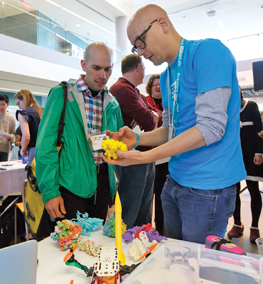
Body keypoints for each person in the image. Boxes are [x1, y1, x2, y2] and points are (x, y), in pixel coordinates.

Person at [103, 4, 247, 244]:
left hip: (208, 186)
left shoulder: (209, 52)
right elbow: (171, 129)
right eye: (135, 46)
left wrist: (144, 157)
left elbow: (211, 128)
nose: (140, 52)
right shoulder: (168, 74)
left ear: (162, 24)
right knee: (175, 262)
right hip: (176, 181)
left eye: (141, 42)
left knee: (196, 270)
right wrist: (137, 139)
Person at [35, 42, 123, 225]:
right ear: (84, 65)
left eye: (108, 69)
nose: (103, 75)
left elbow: (117, 143)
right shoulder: (62, 94)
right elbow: (45, 146)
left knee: (93, 247)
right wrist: (50, 191)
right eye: (96, 68)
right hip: (70, 185)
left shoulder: (113, 103)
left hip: (102, 185)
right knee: (65, 248)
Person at [109, 54, 162, 229]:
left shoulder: (134, 91)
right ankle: (124, 249)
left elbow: (156, 117)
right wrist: (152, 115)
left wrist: (152, 114)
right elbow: (150, 120)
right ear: (138, 67)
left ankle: (142, 246)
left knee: (144, 212)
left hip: (143, 155)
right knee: (130, 211)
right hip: (131, 158)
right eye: (144, 69)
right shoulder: (121, 89)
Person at [227, 91, 263, 243]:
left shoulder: (252, 107)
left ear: (239, 94)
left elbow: (260, 132)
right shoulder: (228, 110)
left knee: (253, 190)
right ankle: (237, 224)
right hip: (234, 157)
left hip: (251, 156)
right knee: (234, 192)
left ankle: (254, 227)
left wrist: (259, 152)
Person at [146, 74, 169, 235]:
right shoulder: (145, 103)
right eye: (155, 84)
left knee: (165, 194)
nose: (158, 87)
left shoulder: (169, 103)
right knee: (152, 194)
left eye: (160, 84)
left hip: (170, 155)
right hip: (151, 156)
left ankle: (162, 227)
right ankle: (154, 226)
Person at [14, 90, 43, 165]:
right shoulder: (43, 111)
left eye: (18, 103)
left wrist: (23, 150)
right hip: (49, 149)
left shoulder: (23, 114)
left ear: (24, 98)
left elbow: (26, 136)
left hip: (34, 150)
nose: (19, 107)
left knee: (33, 175)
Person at [0, 94, 15, 162]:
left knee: (3, 171)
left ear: (7, 105)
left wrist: (10, 137)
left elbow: (14, 134)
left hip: (5, 149)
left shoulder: (11, 118)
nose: (0, 106)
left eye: (3, 104)